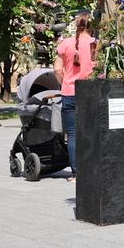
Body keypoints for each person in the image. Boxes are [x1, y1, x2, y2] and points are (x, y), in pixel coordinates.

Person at [54, 12, 96, 183]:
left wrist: (65, 83)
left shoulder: (65, 43)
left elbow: (57, 69)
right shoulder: (95, 45)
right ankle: (91, 170)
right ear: (91, 26)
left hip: (69, 93)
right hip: (89, 93)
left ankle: (76, 173)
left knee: (72, 134)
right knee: (90, 132)